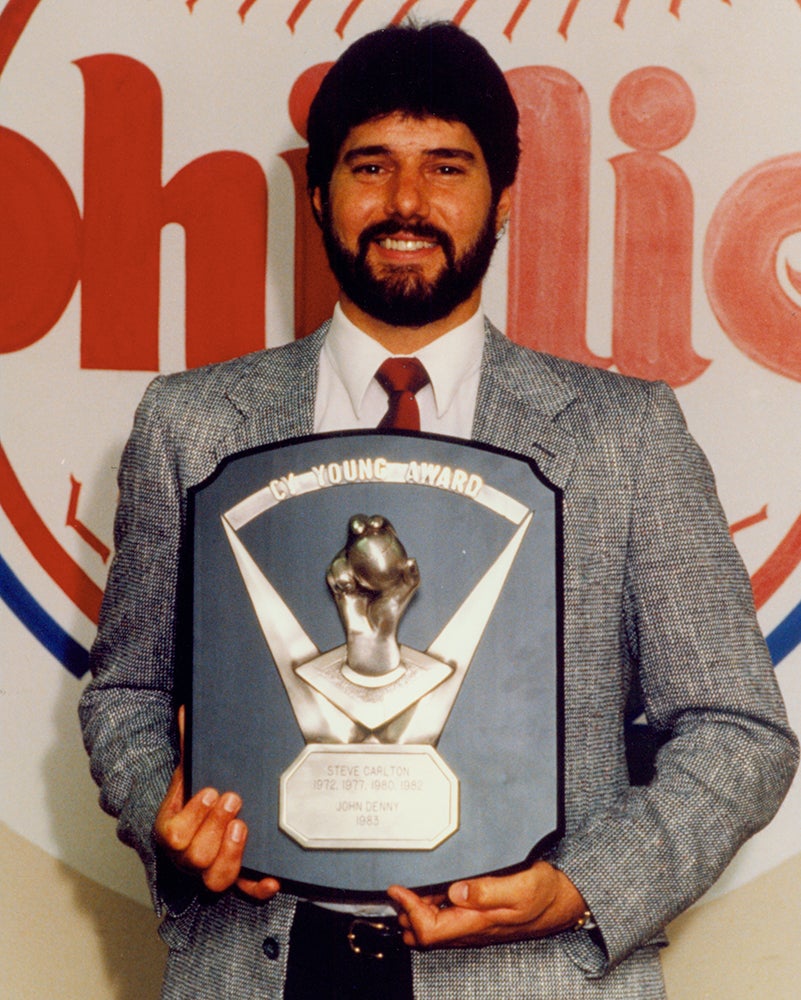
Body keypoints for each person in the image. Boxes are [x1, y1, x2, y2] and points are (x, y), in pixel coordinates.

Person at [79, 21, 798, 1000]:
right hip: (263, 968)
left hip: (530, 974)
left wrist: (584, 886)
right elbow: (126, 699)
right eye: (371, 166)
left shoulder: (625, 435)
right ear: (318, 193)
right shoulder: (191, 424)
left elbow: (737, 727)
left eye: (446, 168)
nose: (407, 203)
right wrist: (164, 811)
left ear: (502, 197)